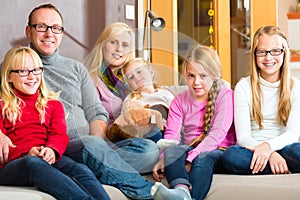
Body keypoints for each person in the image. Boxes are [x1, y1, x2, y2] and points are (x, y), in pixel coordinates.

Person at [0, 3, 155, 199]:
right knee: (91, 148)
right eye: (41, 27)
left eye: (55, 28)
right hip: (47, 147)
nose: (49, 34)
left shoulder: (76, 69)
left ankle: (100, 162)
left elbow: (96, 112)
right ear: (28, 31)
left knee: (148, 150)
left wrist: (97, 148)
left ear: (61, 33)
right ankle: (151, 193)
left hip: (84, 145)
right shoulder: (13, 68)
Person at [0, 46, 110, 200]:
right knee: (33, 163)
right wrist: (26, 152)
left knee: (81, 169)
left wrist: (52, 150)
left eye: (36, 70)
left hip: (46, 156)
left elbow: (59, 134)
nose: (32, 76)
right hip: (14, 165)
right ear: (9, 77)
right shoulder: (3, 106)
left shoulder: (53, 105)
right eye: (23, 71)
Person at [151, 44, 236, 200]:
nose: (196, 82)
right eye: (191, 76)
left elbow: (217, 134)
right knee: (172, 151)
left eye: (203, 76)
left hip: (218, 149)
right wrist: (164, 158)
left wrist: (190, 159)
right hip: (191, 148)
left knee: (203, 158)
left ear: (214, 75)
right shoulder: (179, 101)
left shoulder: (225, 95)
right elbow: (172, 136)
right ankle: (181, 191)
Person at [222, 25, 300, 175]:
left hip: (285, 147)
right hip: (252, 149)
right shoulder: (243, 87)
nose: (268, 57)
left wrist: (269, 147)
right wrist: (269, 154)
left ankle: (273, 166)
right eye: (262, 52)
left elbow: (293, 133)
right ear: (254, 55)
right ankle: (279, 166)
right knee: (231, 156)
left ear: (284, 53)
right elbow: (243, 137)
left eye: (275, 51)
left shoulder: (296, 87)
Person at [84, 22, 159, 173]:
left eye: (125, 45)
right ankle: (99, 164)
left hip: (136, 138)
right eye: (113, 42)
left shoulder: (132, 78)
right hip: (109, 142)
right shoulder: (91, 79)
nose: (119, 49)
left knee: (155, 146)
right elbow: (91, 119)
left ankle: (104, 167)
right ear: (103, 44)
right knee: (150, 151)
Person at [120, 57, 175, 142]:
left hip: (167, 131)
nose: (136, 77)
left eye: (139, 71)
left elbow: (176, 116)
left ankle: (166, 144)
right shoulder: (131, 100)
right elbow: (127, 122)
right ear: (129, 84)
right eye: (131, 77)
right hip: (144, 135)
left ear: (151, 71)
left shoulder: (165, 94)